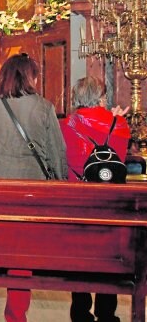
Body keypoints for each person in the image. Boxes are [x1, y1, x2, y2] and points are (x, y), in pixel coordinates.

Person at [0, 53, 67, 322]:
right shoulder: (43, 107)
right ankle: (16, 317)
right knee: (21, 262)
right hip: (27, 196)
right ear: (30, 76)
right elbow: (57, 155)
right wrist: (60, 189)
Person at [60, 76, 130, 322]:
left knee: (80, 258)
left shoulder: (65, 125)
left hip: (77, 202)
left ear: (76, 98)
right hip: (111, 204)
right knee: (108, 259)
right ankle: (106, 312)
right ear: (101, 98)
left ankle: (80, 312)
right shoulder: (120, 124)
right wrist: (115, 117)